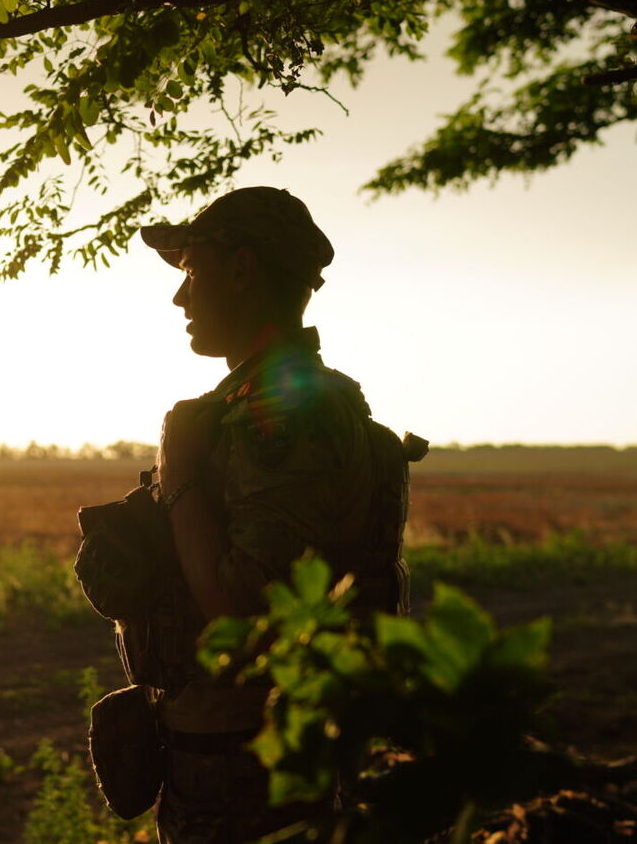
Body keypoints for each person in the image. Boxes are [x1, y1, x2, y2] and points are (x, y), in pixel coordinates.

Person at [135, 185, 405, 844]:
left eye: (192, 270)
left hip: (249, 771)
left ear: (242, 268)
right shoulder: (257, 402)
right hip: (232, 756)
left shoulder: (283, 411)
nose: (179, 296)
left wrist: (179, 469)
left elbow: (243, 607)